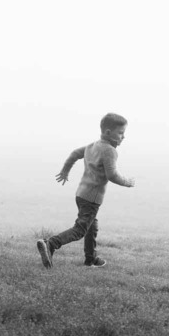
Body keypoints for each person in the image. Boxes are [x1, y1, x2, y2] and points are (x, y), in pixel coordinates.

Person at [37, 112, 135, 269]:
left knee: (91, 225)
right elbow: (112, 175)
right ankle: (51, 244)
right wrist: (126, 182)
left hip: (81, 194)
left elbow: (75, 154)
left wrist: (65, 171)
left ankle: (91, 258)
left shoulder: (93, 145)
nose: (124, 137)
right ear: (108, 132)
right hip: (92, 198)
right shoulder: (109, 150)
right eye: (121, 133)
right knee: (81, 229)